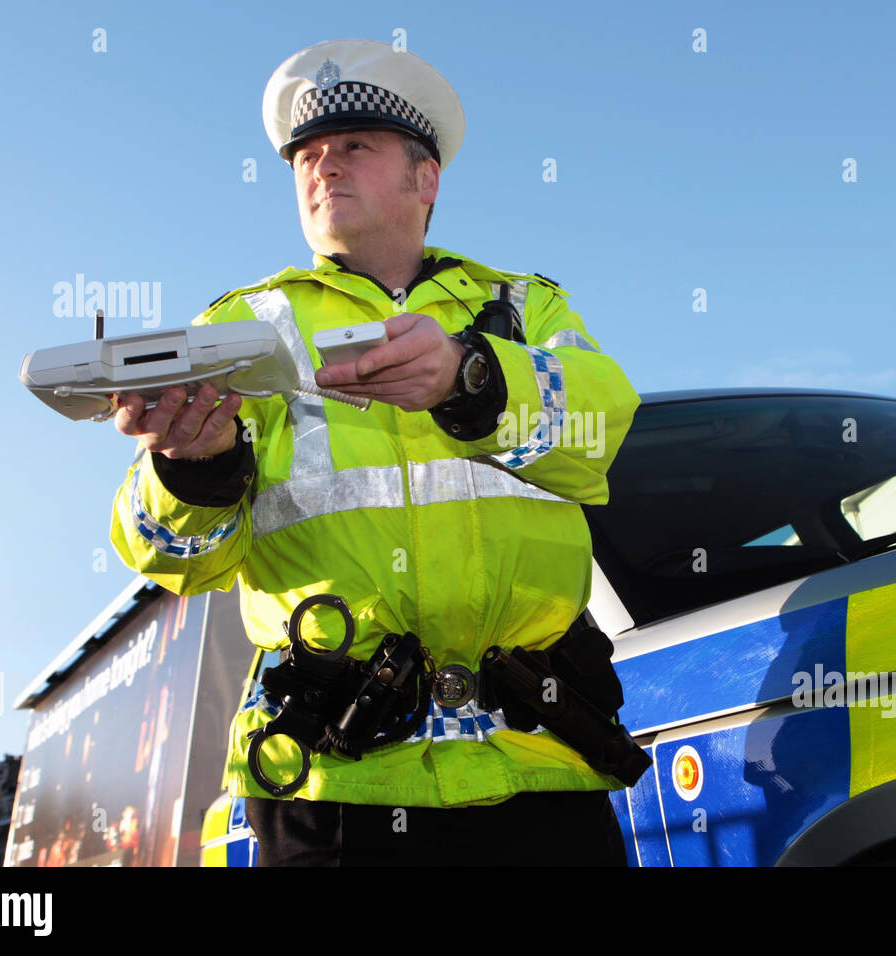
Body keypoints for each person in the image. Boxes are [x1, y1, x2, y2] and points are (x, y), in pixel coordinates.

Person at [108, 38, 642, 866]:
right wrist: (193, 468)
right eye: (308, 156)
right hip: (334, 786)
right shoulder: (244, 329)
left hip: (540, 768)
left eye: (353, 146)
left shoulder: (526, 307)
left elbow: (602, 434)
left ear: (425, 180)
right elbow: (173, 559)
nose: (324, 167)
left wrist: (473, 377)